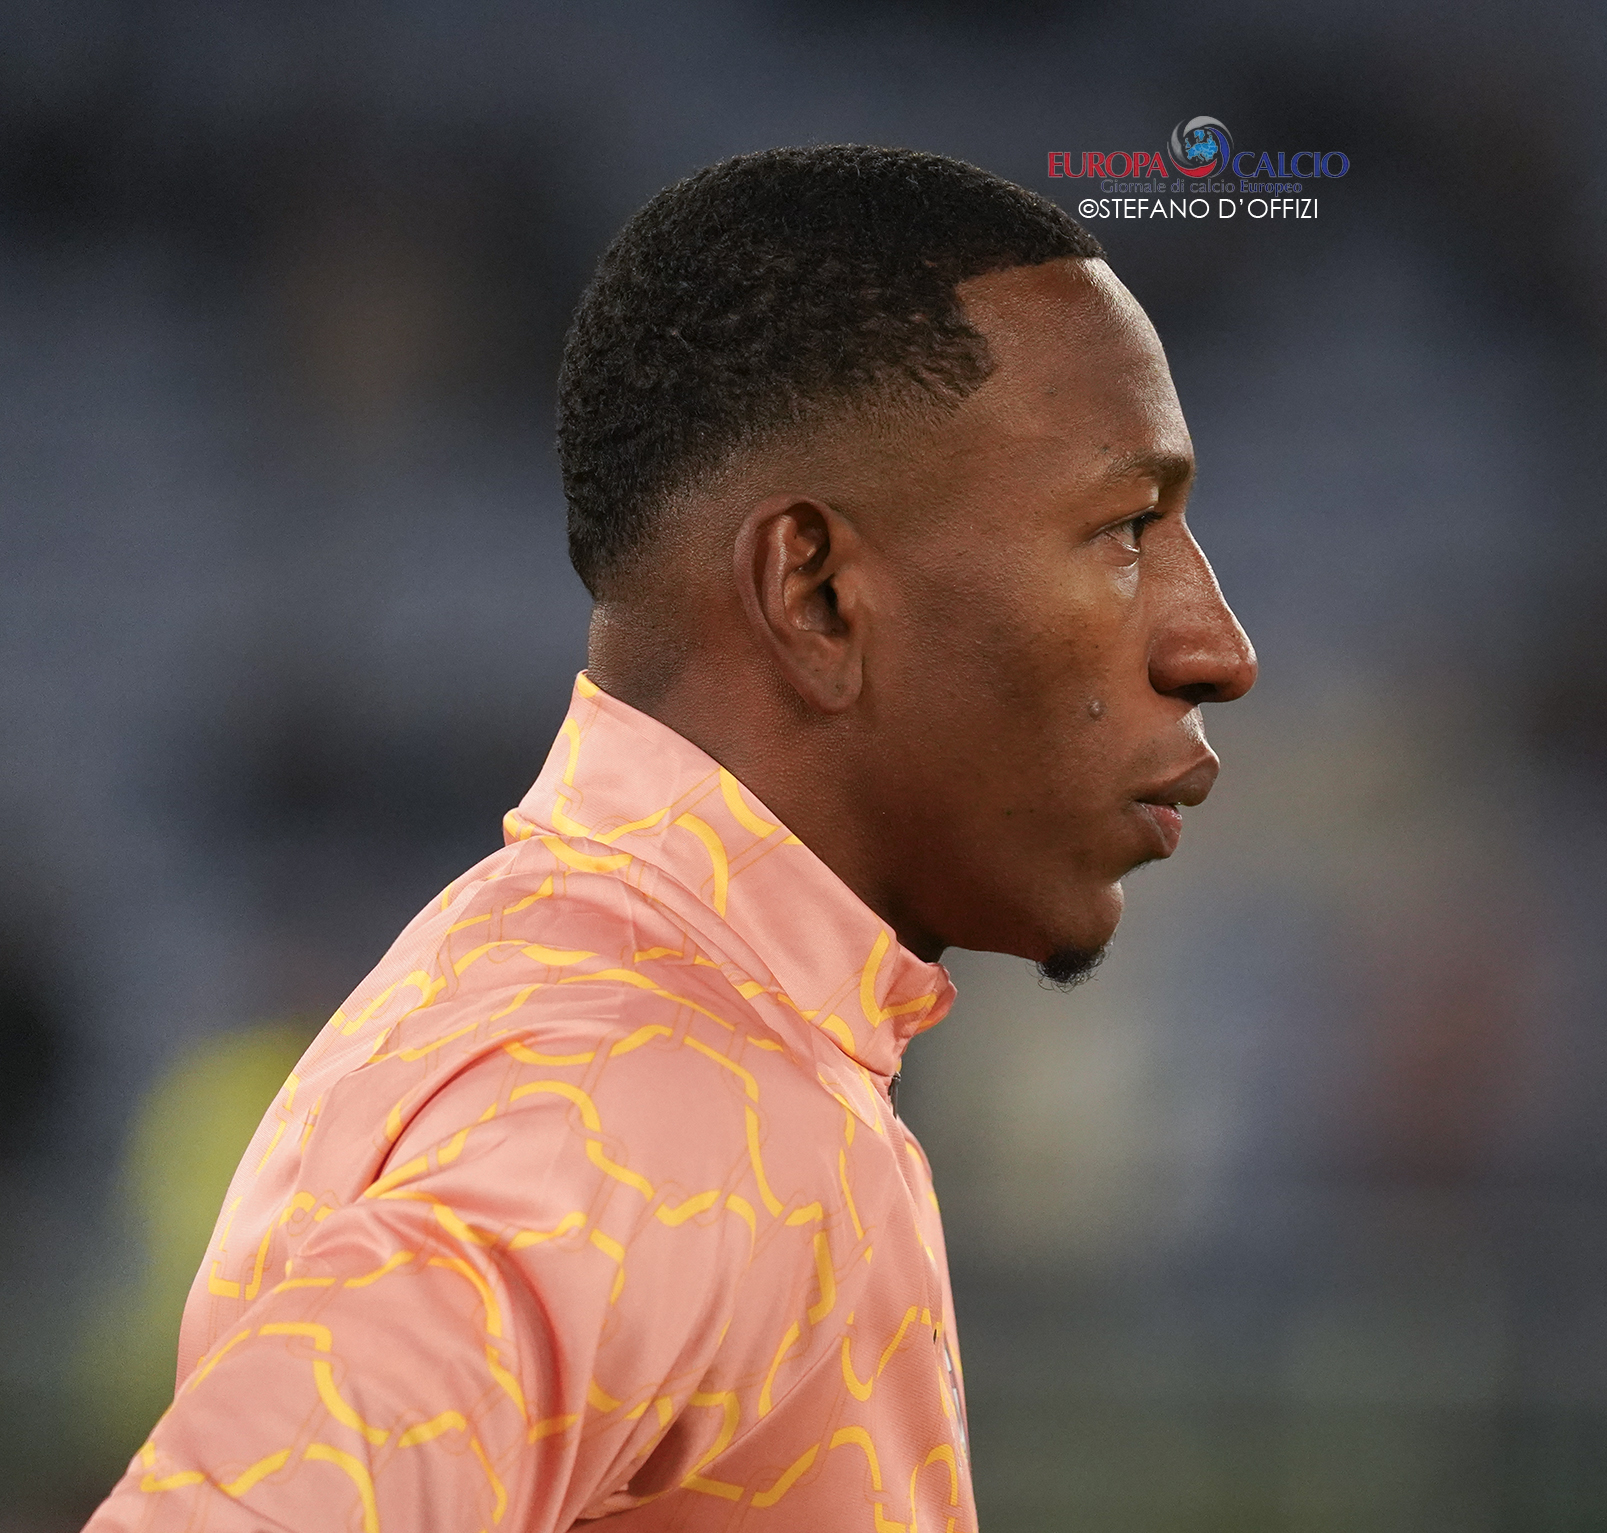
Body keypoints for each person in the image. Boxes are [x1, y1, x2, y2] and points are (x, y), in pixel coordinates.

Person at [86, 144, 1257, 1532]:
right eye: (1126, 529)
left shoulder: (602, 994)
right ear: (815, 593)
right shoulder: (650, 1096)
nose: (1216, 646)